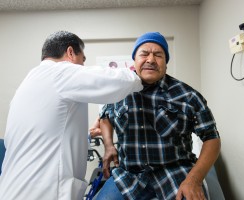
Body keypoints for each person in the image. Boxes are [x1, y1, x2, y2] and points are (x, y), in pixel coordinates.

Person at [0, 31, 143, 200]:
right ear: (70, 53)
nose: (82, 66)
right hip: (42, 192)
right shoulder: (60, 72)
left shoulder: (26, 85)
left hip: (12, 189)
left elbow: (43, 136)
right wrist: (141, 72)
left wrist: (86, 135)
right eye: (83, 60)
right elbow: (118, 80)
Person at [94, 32, 221, 200]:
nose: (151, 60)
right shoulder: (118, 90)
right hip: (128, 176)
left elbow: (212, 138)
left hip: (175, 173)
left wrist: (194, 180)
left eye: (158, 55)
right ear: (135, 61)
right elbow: (105, 116)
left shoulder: (188, 96)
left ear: (166, 63)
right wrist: (109, 145)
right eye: (144, 54)